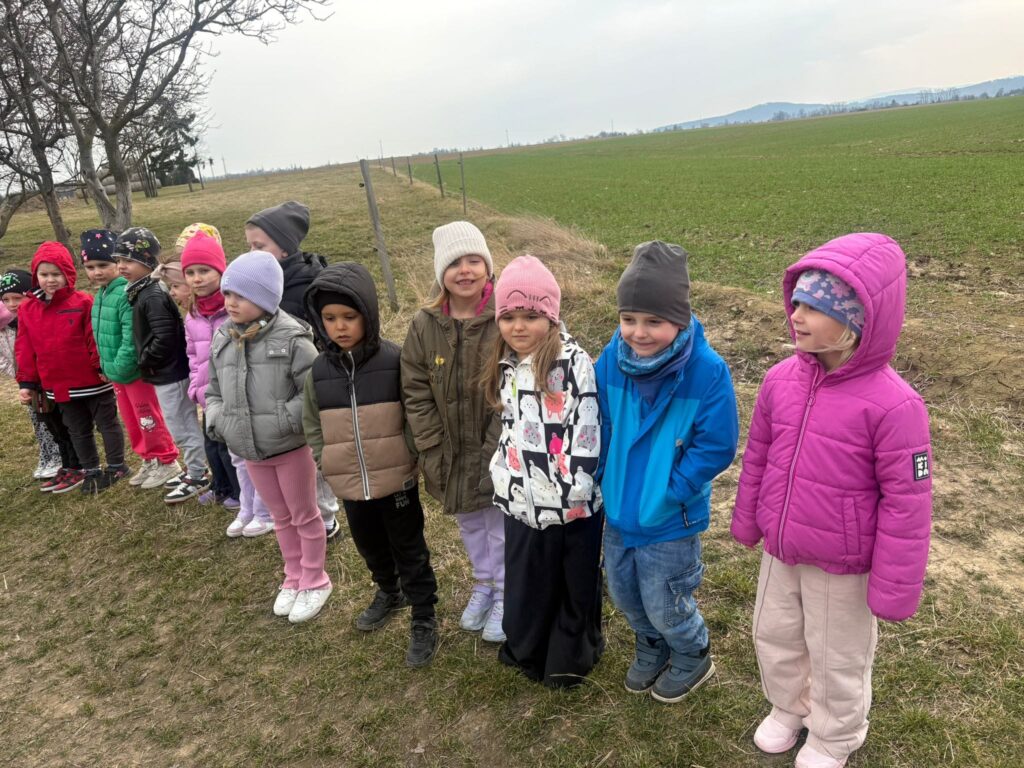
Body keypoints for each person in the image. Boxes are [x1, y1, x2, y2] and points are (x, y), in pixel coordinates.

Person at [731, 234, 933, 768]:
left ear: (856, 320)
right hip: (782, 550)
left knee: (836, 654)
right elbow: (759, 455)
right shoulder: (779, 381)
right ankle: (789, 707)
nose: (795, 315)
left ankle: (834, 735)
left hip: (843, 563)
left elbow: (908, 504)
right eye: (796, 301)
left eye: (814, 307)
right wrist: (749, 519)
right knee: (774, 635)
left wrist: (895, 585)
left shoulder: (896, 406)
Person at [595, 241, 738, 703]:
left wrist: (674, 488)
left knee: (666, 599)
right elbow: (599, 421)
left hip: (670, 517)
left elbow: (716, 445)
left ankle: (692, 652)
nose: (638, 333)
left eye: (653, 321)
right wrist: (602, 473)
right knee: (624, 593)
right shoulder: (611, 360)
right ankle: (651, 643)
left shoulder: (706, 371)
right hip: (619, 508)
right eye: (629, 319)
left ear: (679, 318)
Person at [303, 262, 439, 665]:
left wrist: (409, 452)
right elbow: (311, 421)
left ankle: (424, 614)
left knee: (409, 548)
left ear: (368, 314)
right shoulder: (318, 371)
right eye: (330, 318)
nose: (340, 326)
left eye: (349, 316)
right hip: (349, 482)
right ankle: (388, 591)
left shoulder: (394, 360)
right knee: (369, 545)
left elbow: (414, 410)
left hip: (396, 482)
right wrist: (324, 458)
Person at [481, 255, 604, 688]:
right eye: (508, 317)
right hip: (521, 500)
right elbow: (511, 427)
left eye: (530, 316)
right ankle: (528, 648)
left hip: (569, 506)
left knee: (572, 585)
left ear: (550, 317)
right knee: (530, 581)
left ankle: (567, 659)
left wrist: (576, 492)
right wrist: (504, 475)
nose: (518, 327)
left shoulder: (572, 363)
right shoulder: (506, 362)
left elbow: (585, 431)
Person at [205, 250, 332, 623]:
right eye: (227, 294)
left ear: (264, 297)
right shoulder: (223, 338)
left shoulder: (292, 338)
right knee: (280, 517)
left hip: (290, 448)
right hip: (250, 450)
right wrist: (220, 420)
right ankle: (293, 576)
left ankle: (315, 579)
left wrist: (282, 420)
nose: (230, 302)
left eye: (240, 295)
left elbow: (313, 392)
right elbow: (213, 390)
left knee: (304, 514)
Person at [401, 221, 506, 642]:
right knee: (469, 521)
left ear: (487, 266)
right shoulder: (424, 324)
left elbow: (513, 386)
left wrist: (497, 446)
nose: (465, 270)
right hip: (448, 450)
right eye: (454, 263)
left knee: (498, 523)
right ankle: (484, 583)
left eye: (474, 260)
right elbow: (414, 388)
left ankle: (507, 590)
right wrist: (429, 443)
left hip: (494, 447)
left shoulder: (504, 316)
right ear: (440, 272)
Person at [244, 201, 340, 539]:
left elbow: (324, 338)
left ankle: (325, 517)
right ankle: (298, 511)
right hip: (274, 384)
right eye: (249, 246)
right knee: (292, 454)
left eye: (260, 246)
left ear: (284, 248)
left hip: (307, 382)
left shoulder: (304, 285)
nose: (252, 253)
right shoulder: (258, 284)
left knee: (312, 453)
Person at [180, 230, 278, 534]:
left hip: (244, 398)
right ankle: (246, 505)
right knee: (234, 456)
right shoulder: (192, 315)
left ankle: (264, 509)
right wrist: (196, 386)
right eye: (190, 272)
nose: (197, 279)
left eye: (204, 270)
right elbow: (193, 355)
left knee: (251, 457)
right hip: (214, 398)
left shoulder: (236, 314)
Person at [15, 242, 127, 494]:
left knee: (107, 423)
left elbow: (94, 337)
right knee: (77, 429)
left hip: (93, 380)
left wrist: (100, 366)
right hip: (58, 384)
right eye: (44, 274)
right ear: (36, 276)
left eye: (56, 274)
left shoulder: (83, 302)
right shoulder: (27, 309)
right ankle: (90, 469)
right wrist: (27, 382)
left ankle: (117, 465)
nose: (50, 280)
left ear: (68, 274)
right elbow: (25, 347)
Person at [82, 229, 181, 490]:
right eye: (90, 267)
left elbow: (130, 336)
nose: (97, 272)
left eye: (104, 265)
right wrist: (105, 365)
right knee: (131, 419)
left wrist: (122, 365)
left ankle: (167, 460)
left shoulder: (126, 293)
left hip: (133, 371)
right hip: (116, 373)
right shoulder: (101, 295)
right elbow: (101, 335)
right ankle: (148, 458)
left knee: (148, 417)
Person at [117, 227, 209, 502]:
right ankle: (195, 468)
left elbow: (165, 336)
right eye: (118, 260)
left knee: (182, 425)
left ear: (147, 261)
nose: (121, 266)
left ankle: (198, 473)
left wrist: (145, 359)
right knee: (178, 423)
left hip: (170, 372)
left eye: (128, 260)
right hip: (163, 371)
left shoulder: (152, 295)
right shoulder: (141, 292)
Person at [0, 269, 62, 481]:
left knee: (54, 418)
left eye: (17, 298)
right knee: (38, 419)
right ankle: (48, 454)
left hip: (47, 379)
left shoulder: (36, 318)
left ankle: (61, 456)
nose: (12, 304)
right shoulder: (7, 326)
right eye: (6, 300)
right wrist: (22, 378)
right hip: (27, 382)